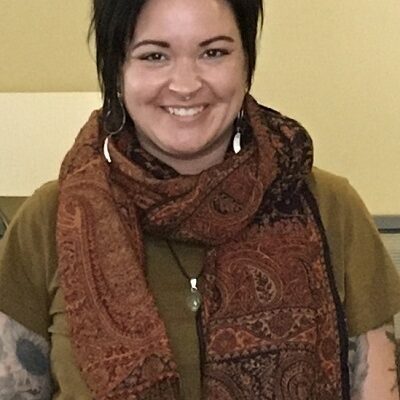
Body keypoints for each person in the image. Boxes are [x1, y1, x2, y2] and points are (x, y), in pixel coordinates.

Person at [0, 0, 399, 398]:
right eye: (154, 56)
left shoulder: (331, 208)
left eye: (213, 53)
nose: (186, 85)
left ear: (246, 63)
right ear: (117, 69)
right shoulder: (49, 221)